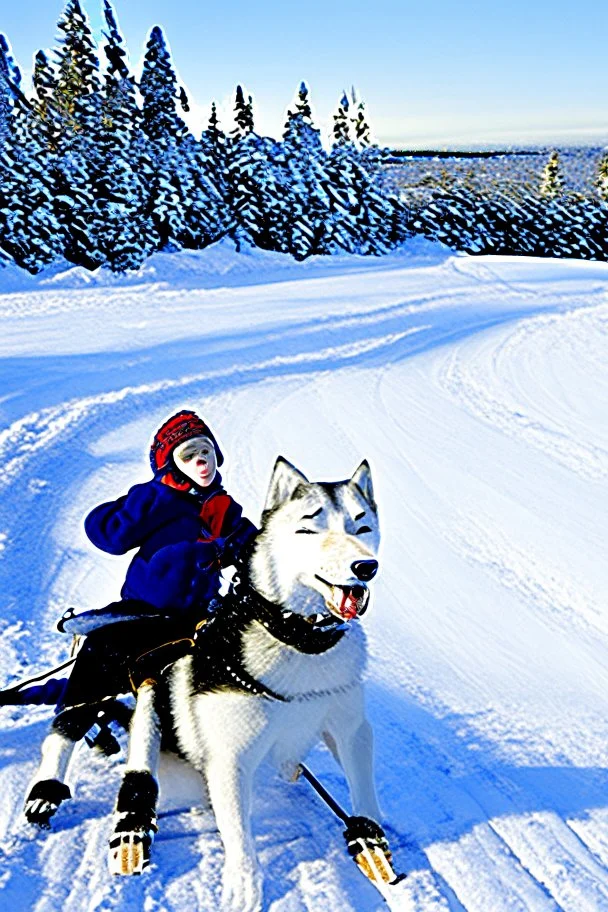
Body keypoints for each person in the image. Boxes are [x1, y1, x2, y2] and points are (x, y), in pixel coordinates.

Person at [0, 409, 257, 746]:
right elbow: (110, 536)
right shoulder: (157, 501)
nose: (202, 462)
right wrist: (154, 495)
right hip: (145, 608)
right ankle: (76, 714)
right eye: (189, 456)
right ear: (172, 465)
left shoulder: (222, 507)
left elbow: (254, 547)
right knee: (105, 656)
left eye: (206, 451)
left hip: (197, 613)